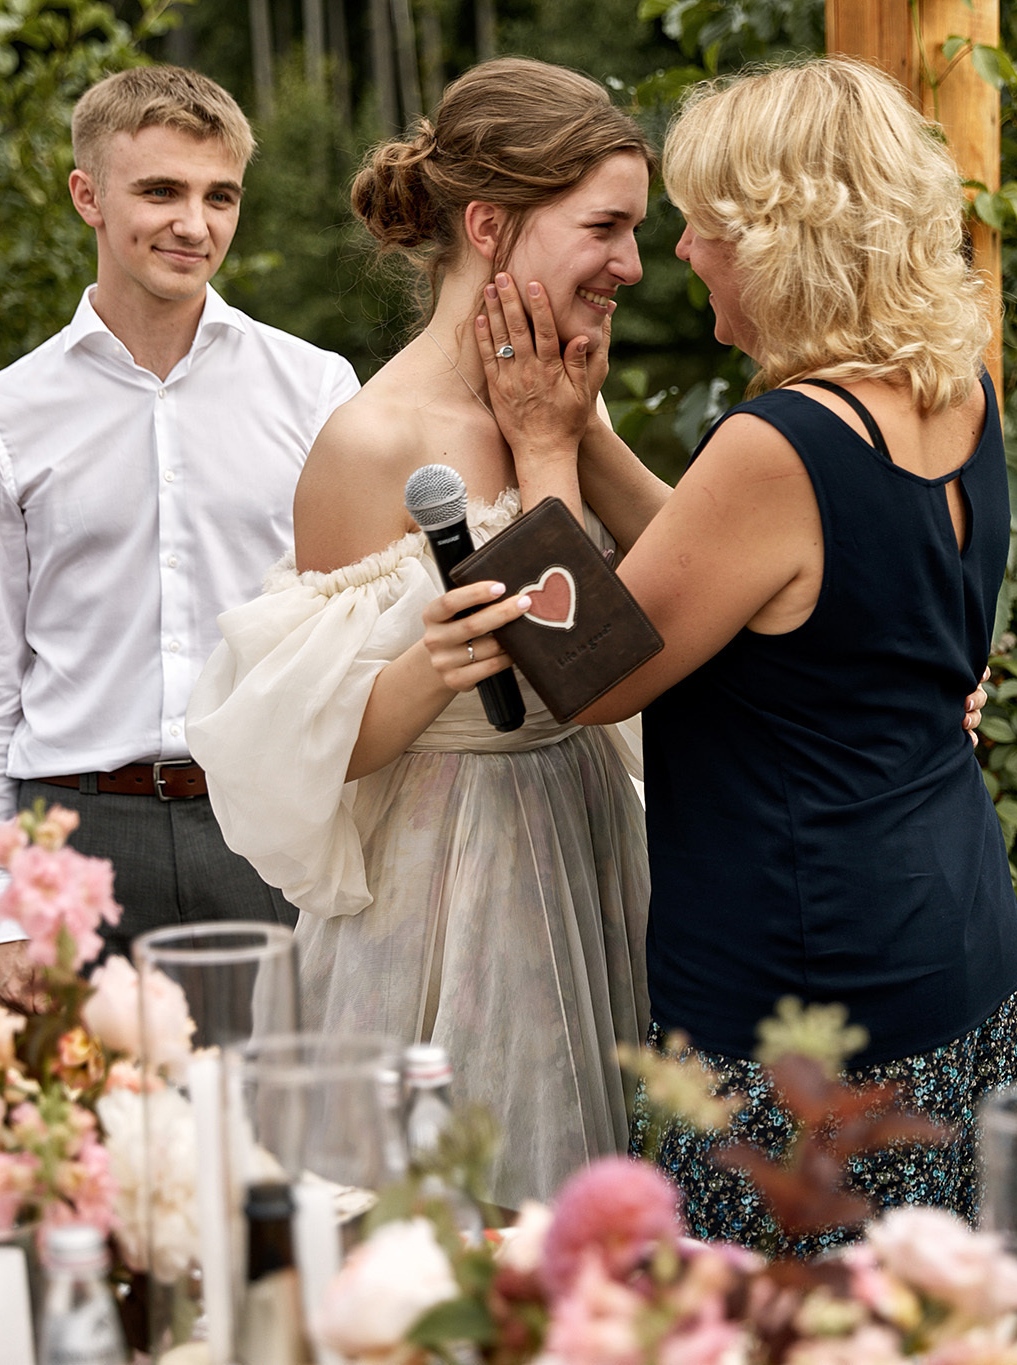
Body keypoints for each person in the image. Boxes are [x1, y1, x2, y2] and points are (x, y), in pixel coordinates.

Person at [475, 58, 1017, 1250]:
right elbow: (748, 561)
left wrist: (537, 453)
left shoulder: (775, 444)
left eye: (704, 225)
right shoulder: (951, 391)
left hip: (811, 1001)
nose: (678, 254)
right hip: (956, 941)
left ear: (784, 239)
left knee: (776, 1320)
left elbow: (587, 677)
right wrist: (589, 433)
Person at [185, 57, 656, 1212]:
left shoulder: (565, 395)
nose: (632, 265)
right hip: (451, 880)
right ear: (491, 226)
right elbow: (301, 736)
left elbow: (669, 586)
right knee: (462, 1212)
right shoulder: (370, 440)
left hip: (586, 827)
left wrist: (575, 433)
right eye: (604, 226)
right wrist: (416, 671)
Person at [0, 65, 360, 1001]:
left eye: (221, 196)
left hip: (266, 824)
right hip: (74, 834)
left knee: (273, 1132)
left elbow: (356, 634)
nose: (194, 224)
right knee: (86, 1140)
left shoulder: (318, 390)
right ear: (87, 196)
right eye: (161, 190)